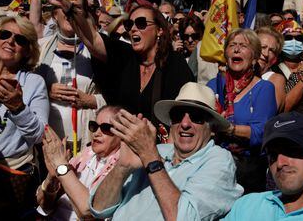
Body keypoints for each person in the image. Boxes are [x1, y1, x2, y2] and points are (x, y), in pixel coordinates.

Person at [89, 82, 243, 220]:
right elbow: (99, 208)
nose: (184, 123)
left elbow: (183, 218)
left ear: (213, 128)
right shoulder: (158, 151)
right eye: (177, 116)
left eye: (196, 117)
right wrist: (122, 168)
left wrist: (150, 156)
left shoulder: (219, 160)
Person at [44, 0, 194, 128]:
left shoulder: (175, 64)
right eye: (130, 24)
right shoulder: (126, 56)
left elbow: (186, 114)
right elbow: (93, 39)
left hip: (160, 150)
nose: (133, 29)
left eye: (141, 23)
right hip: (123, 150)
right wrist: (71, 8)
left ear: (159, 30)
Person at [33, 0, 106, 151]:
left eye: (72, 8)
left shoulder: (96, 52)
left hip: (88, 141)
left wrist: (91, 100)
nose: (68, 11)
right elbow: (26, 89)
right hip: (49, 142)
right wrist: (45, 91)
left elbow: (117, 96)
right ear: (54, 15)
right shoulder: (40, 49)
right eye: (62, 6)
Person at [207, 28, 277, 193]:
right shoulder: (213, 85)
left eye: (243, 46)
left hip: (248, 173)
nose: (236, 49)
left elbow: (261, 132)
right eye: (232, 45)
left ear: (254, 57)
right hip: (213, 167)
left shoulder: (264, 88)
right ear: (226, 54)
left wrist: (228, 128)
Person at [0, 16, 49, 217]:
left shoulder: (34, 82)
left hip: (11, 179)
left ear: (27, 50)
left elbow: (40, 135)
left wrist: (18, 107)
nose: (11, 41)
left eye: (20, 39)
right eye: (5, 34)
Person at [36, 105, 121, 220]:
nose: (96, 133)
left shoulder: (121, 168)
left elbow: (89, 214)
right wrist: (52, 178)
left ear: (122, 133)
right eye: (94, 126)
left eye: (105, 128)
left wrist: (62, 166)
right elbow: (43, 204)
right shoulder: (84, 157)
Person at [256, 27, 286, 112]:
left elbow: (268, 114)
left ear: (275, 58)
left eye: (271, 50)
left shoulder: (276, 80)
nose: (265, 54)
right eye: (262, 47)